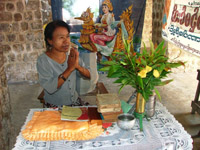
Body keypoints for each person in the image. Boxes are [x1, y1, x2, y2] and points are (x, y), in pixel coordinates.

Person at [37, 20, 91, 107]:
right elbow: (51, 88)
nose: (66, 41)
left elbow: (90, 75)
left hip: (74, 103)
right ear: (50, 40)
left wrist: (78, 67)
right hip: (54, 106)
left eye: (67, 36)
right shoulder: (43, 61)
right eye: (61, 38)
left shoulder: (72, 55)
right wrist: (69, 69)